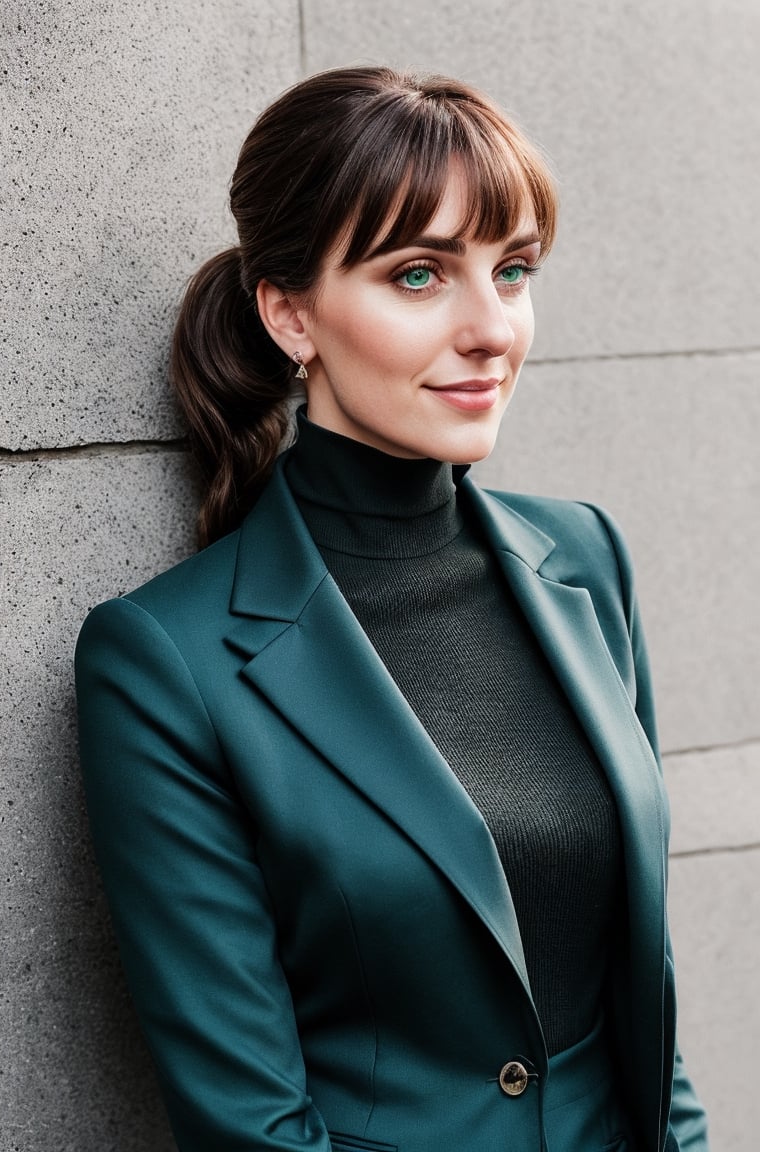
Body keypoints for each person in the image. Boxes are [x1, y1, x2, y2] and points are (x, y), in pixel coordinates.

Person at [75, 66, 709, 1152]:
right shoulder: (164, 661)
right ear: (290, 314)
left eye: (511, 271)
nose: (492, 329)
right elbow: (249, 1121)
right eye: (418, 276)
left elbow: (646, 1010)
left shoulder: (587, 560)